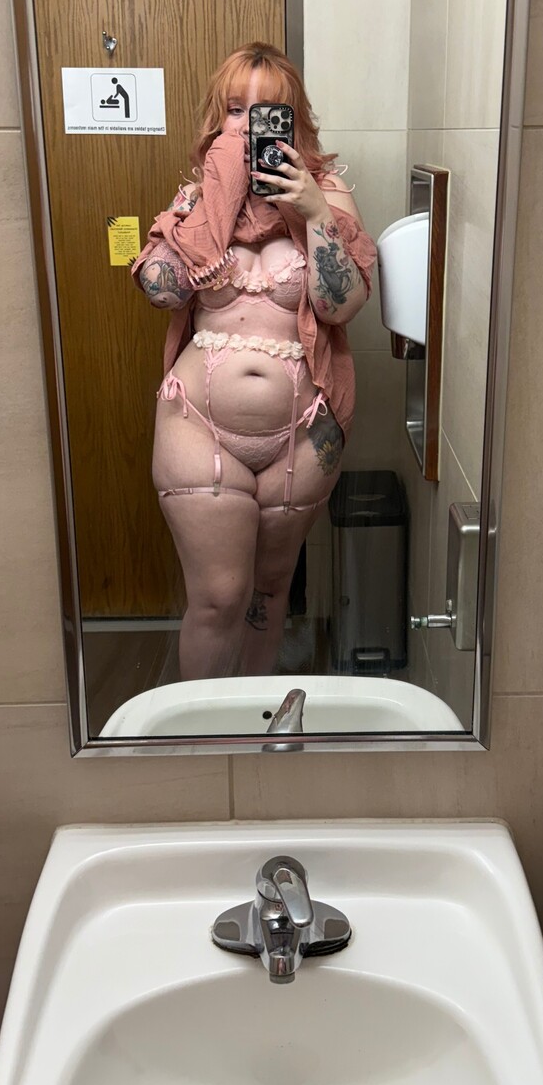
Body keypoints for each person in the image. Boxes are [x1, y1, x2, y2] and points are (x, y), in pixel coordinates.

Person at [131, 43, 377, 680]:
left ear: (294, 123)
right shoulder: (195, 199)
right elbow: (161, 288)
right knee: (218, 599)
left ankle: (256, 721)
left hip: (303, 433)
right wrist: (217, 197)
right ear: (216, 119)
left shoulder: (328, 195)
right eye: (235, 110)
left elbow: (341, 305)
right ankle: (202, 728)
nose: (247, 127)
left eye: (267, 112)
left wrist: (313, 210)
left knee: (269, 594)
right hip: (199, 426)